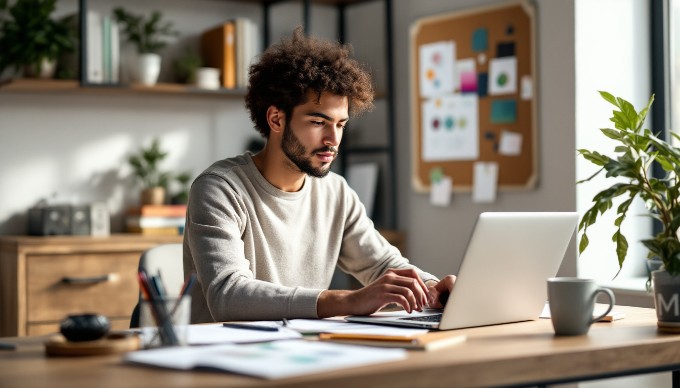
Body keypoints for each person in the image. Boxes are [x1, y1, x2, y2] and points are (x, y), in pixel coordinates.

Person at [183, 26, 456, 323]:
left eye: (340, 124)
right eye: (318, 122)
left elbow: (382, 265)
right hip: (224, 357)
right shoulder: (219, 189)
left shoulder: (336, 193)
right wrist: (350, 300)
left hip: (304, 352)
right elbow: (229, 297)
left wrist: (430, 288)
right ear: (276, 119)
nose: (333, 139)